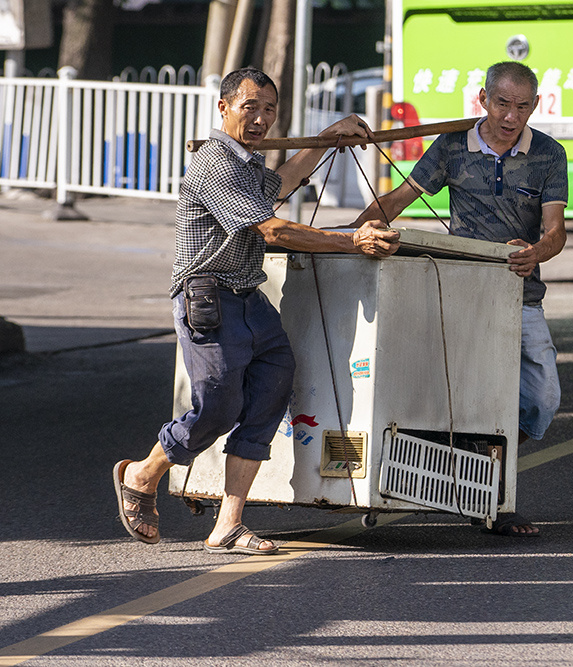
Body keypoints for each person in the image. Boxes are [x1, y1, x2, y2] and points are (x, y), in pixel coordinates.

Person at [113, 67, 400, 555]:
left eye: (269, 110)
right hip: (208, 299)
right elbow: (273, 229)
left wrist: (326, 140)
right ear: (223, 107)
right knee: (218, 408)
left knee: (270, 393)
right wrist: (351, 240)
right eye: (250, 107)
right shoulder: (216, 164)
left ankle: (228, 524)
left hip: (250, 298)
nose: (261, 119)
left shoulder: (247, 163)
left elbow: (280, 184)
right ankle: (142, 473)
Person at [354, 61, 567, 537]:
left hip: (520, 291)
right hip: (459, 291)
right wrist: (353, 234)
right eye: (502, 103)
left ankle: (480, 459)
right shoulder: (452, 146)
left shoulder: (549, 154)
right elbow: (399, 198)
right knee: (460, 392)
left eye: (523, 106)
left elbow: (556, 230)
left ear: (535, 105)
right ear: (483, 99)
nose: (511, 116)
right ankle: (491, 497)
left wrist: (536, 252)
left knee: (543, 397)